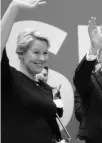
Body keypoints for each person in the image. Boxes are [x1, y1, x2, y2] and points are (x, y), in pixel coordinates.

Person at [1, 0, 63, 142]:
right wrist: (14, 7)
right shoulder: (9, 77)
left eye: (45, 53)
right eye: (36, 52)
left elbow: (50, 127)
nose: (42, 58)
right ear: (21, 53)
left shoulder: (46, 88)